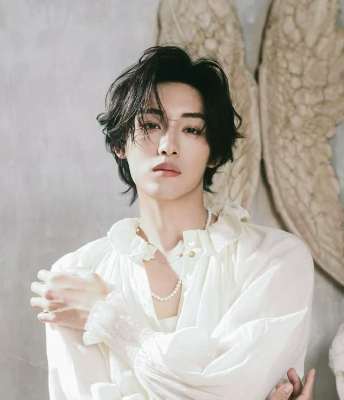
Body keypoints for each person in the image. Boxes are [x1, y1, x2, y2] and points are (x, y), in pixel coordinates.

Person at [31, 45, 315, 400]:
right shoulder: (77, 275)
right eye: (151, 125)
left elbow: (232, 390)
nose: (168, 145)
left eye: (192, 129)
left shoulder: (275, 259)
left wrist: (111, 321)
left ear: (214, 152)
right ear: (120, 144)